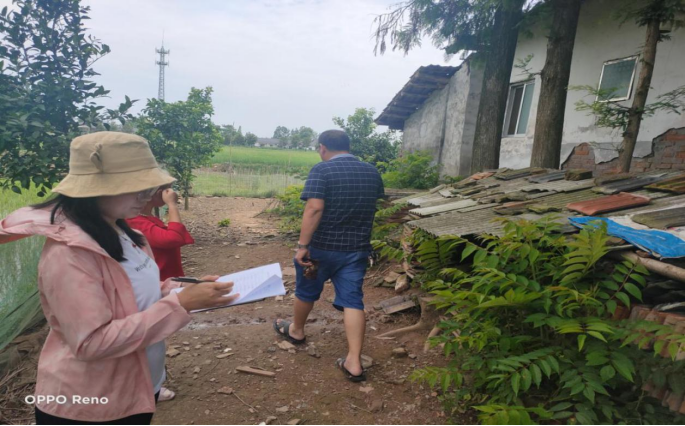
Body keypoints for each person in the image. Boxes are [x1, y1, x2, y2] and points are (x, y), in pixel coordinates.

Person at [0, 132, 239, 425]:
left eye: (148, 187)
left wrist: (178, 289)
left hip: (137, 386)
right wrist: (179, 305)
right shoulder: (70, 254)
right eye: (134, 187)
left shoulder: (124, 232)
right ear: (93, 188)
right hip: (89, 404)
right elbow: (91, 343)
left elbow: (131, 291)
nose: (146, 195)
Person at [273, 130, 385, 383]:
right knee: (353, 301)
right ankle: (354, 362)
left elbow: (314, 208)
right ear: (348, 146)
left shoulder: (322, 170)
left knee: (306, 291)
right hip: (356, 250)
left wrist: (303, 245)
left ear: (322, 148)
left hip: (320, 249)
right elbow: (374, 205)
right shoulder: (371, 171)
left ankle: (297, 331)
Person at [127, 188, 194, 282]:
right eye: (168, 188)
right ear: (159, 192)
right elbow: (174, 239)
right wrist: (172, 204)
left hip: (168, 281)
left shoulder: (145, 218)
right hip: (159, 284)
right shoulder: (134, 221)